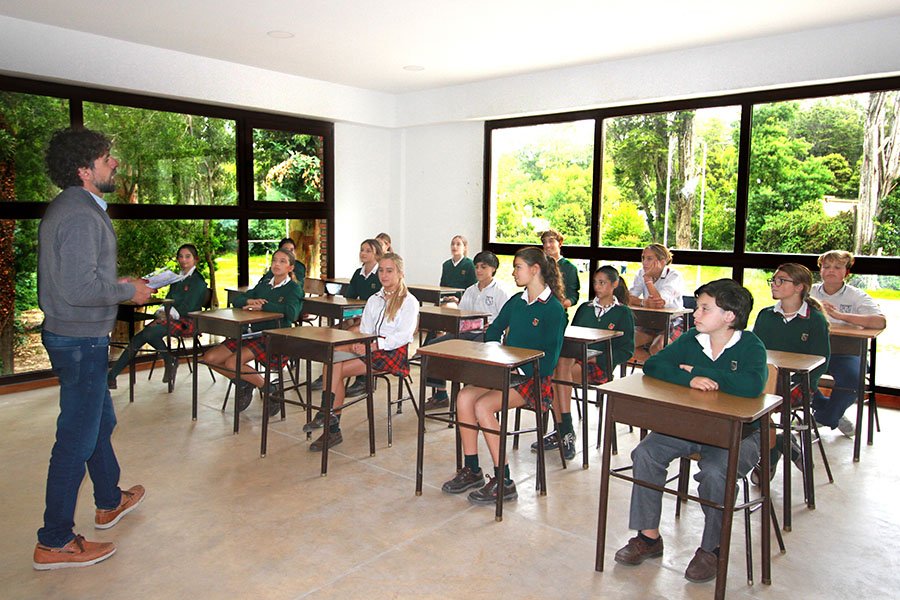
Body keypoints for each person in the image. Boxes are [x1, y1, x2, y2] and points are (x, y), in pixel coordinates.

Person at [33, 127, 152, 570]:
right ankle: (55, 540)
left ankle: (108, 499)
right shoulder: (80, 214)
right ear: (85, 170)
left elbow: (79, 281)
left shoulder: (75, 207)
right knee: (76, 439)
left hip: (79, 336)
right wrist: (127, 291)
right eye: (106, 158)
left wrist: (121, 287)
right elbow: (80, 288)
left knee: (100, 420)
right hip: (80, 339)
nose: (114, 163)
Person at [614, 278, 767, 584]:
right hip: (689, 426)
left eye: (704, 308)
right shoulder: (692, 339)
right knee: (645, 453)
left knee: (714, 474)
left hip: (737, 435)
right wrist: (688, 380)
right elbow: (654, 365)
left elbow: (751, 386)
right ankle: (649, 537)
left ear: (729, 317)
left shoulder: (751, 346)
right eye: (697, 307)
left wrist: (697, 371)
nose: (695, 314)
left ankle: (712, 548)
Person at [441, 247, 566, 505]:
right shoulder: (517, 302)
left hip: (533, 378)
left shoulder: (554, 309)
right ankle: (472, 468)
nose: (514, 271)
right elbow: (493, 331)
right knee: (464, 397)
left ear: (535, 270)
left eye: (518, 266)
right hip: (507, 373)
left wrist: (517, 367)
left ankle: (504, 480)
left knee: (483, 406)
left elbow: (550, 360)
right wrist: (497, 355)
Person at [305, 253, 419, 451]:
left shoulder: (409, 301)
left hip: (391, 352)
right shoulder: (374, 299)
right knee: (332, 356)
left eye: (389, 270)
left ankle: (330, 423)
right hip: (369, 345)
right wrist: (359, 342)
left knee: (335, 369)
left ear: (400, 273)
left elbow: (404, 336)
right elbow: (366, 328)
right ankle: (329, 418)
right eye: (381, 270)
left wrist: (375, 345)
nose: (383, 275)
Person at [534, 265, 635, 460]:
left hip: (599, 366)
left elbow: (626, 350)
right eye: (595, 282)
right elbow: (571, 338)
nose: (597, 287)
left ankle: (564, 429)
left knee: (555, 376)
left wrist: (600, 357)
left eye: (603, 283)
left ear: (614, 285)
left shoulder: (623, 313)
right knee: (559, 367)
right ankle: (565, 430)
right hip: (575, 360)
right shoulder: (585, 308)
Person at [202, 249, 303, 417]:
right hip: (252, 333)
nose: (277, 264)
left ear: (290, 267)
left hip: (274, 337)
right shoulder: (264, 283)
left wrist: (264, 306)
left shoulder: (294, 289)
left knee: (233, 363)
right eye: (274, 260)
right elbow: (237, 300)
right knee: (210, 358)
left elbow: (291, 313)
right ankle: (244, 383)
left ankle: (268, 390)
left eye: (282, 261)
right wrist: (249, 301)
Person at [752, 263, 830, 478]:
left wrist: (802, 382)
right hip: (766, 379)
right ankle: (781, 443)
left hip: (799, 384)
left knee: (761, 404)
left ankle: (771, 452)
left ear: (799, 287)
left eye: (781, 280)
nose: (774, 284)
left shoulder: (815, 320)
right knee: (747, 399)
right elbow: (755, 352)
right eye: (773, 280)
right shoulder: (766, 315)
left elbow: (822, 362)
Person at [107, 243, 208, 389]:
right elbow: (168, 299)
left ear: (195, 259)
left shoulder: (198, 281)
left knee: (148, 333)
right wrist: (161, 313)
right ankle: (112, 376)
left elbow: (189, 308)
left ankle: (168, 360)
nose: (183, 260)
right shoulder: (176, 279)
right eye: (180, 256)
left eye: (188, 257)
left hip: (189, 320)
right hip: (170, 317)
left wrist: (167, 316)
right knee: (139, 337)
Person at [811, 250, 886, 436]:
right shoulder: (809, 291)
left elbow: (880, 322)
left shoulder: (856, 295)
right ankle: (831, 412)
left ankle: (824, 418)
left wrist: (839, 316)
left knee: (853, 379)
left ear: (846, 272)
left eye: (837, 267)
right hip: (813, 350)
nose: (830, 271)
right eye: (826, 267)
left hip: (846, 351)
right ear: (820, 271)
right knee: (791, 376)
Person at [422, 250, 510, 410]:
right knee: (433, 346)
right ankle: (441, 393)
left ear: (493, 269)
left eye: (483, 267)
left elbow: (507, 319)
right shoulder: (470, 290)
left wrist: (494, 325)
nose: (479, 270)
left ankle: (472, 396)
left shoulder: (500, 291)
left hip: (488, 335)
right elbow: (461, 314)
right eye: (476, 267)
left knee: (472, 353)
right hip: (467, 332)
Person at [309, 238, 384, 396]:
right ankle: (328, 371)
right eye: (361, 250)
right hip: (358, 315)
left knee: (352, 332)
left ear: (377, 254)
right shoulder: (358, 273)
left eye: (368, 250)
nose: (363, 253)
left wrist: (361, 318)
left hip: (374, 320)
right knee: (331, 333)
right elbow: (350, 297)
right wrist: (353, 315)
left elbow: (381, 304)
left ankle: (363, 379)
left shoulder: (381, 274)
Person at [628, 243, 685, 361]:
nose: (644, 262)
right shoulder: (640, 273)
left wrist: (648, 281)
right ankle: (654, 366)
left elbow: (659, 303)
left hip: (672, 321)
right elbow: (629, 298)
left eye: (649, 259)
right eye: (643, 258)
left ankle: (659, 368)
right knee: (626, 346)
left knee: (657, 347)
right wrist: (643, 302)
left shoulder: (674, 276)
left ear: (662, 261)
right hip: (649, 321)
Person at [540, 229, 580, 310]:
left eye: (551, 241)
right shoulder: (538, 265)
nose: (547, 245)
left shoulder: (570, 268)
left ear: (560, 243)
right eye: (544, 242)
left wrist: (564, 303)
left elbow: (573, 295)